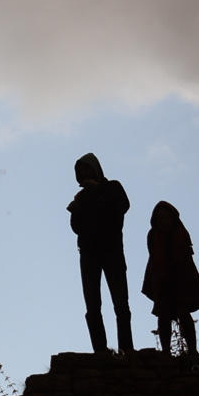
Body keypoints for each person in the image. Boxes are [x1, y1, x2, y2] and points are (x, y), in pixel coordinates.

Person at [67, 152, 134, 355]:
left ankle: (126, 349)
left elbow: (123, 206)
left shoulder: (112, 187)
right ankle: (100, 350)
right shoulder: (80, 196)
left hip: (112, 250)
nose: (81, 174)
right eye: (79, 171)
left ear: (95, 169)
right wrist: (79, 206)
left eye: (85, 169)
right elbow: (76, 226)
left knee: (121, 303)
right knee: (92, 305)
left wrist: (96, 193)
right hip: (88, 254)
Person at [142, 200, 199, 357]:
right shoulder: (153, 235)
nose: (163, 221)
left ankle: (192, 350)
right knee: (163, 315)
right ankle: (165, 352)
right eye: (160, 218)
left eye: (166, 217)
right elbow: (155, 257)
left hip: (181, 278)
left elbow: (185, 257)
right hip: (161, 278)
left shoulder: (180, 233)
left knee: (183, 313)